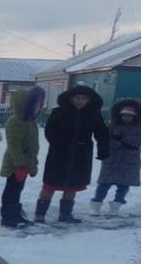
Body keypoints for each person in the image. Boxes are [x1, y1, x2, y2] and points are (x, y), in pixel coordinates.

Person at [34, 85, 109, 224]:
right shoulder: (59, 112)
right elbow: (49, 131)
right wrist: (58, 143)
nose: (80, 101)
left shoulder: (93, 114)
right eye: (77, 98)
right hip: (59, 154)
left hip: (81, 155)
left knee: (73, 185)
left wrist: (103, 150)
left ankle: (65, 215)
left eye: (83, 98)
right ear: (71, 99)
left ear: (89, 100)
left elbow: (102, 133)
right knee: (50, 184)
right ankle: (40, 214)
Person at [0, 85, 45, 228]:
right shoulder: (16, 121)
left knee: (18, 189)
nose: (39, 107)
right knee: (11, 190)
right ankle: (8, 216)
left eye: (40, 104)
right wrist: (20, 165)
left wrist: (31, 162)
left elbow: (32, 146)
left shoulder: (29, 122)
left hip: (25, 163)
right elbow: (15, 147)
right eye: (37, 103)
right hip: (15, 164)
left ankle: (16, 214)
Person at [90, 98, 140, 215]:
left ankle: (116, 205)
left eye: (129, 116)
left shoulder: (139, 128)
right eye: (124, 115)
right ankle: (96, 203)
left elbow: (137, 142)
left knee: (123, 186)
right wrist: (118, 142)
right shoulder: (112, 126)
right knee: (104, 184)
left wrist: (122, 140)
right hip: (112, 158)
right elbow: (105, 139)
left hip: (130, 161)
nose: (126, 118)